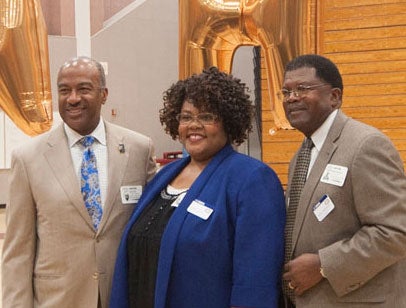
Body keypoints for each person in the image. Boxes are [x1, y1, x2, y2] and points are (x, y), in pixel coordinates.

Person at [110, 66, 286, 308]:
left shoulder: (252, 179)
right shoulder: (166, 175)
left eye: (207, 117)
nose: (194, 125)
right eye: (186, 117)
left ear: (228, 121)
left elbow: (256, 279)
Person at [1, 56, 157, 307]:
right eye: (64, 90)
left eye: (84, 89)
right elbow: (17, 253)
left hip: (122, 297)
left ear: (104, 94)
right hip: (58, 299)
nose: (73, 98)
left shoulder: (138, 149)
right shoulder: (28, 158)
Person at [280, 54, 406, 307]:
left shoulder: (365, 145)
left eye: (303, 89)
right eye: (286, 92)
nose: (292, 98)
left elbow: (395, 232)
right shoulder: (301, 156)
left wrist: (324, 266)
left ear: (334, 96)